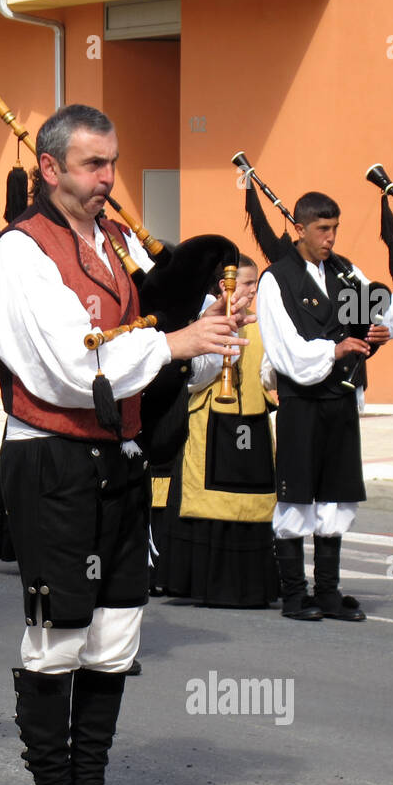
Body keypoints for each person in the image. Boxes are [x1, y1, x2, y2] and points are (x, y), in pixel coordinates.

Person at [0, 104, 248, 785]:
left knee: (116, 631)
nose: (108, 179)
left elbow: (153, 375)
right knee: (56, 633)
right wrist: (172, 340)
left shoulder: (113, 244)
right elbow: (73, 371)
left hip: (119, 460)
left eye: (113, 163)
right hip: (53, 464)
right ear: (50, 168)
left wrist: (211, 342)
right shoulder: (20, 257)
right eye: (94, 165)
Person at [257, 191, 393, 621]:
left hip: (340, 399)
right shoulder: (276, 279)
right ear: (300, 228)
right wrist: (333, 351)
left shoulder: (346, 272)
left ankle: (328, 591)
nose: (330, 238)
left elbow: (389, 315)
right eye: (322, 229)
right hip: (302, 401)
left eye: (335, 228)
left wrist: (379, 332)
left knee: (336, 494)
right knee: (297, 494)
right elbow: (285, 350)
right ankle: (294, 594)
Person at [153, 255, 279, 607]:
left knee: (251, 508)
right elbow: (190, 378)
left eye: (255, 284)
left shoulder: (261, 322)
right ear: (224, 286)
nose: (251, 291)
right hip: (210, 424)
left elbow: (269, 372)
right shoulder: (203, 318)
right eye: (245, 284)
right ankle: (205, 584)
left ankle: (250, 587)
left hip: (252, 422)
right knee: (210, 505)